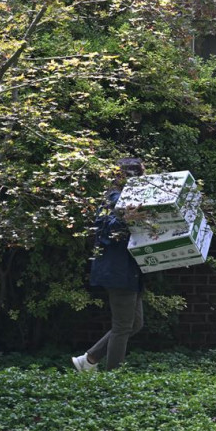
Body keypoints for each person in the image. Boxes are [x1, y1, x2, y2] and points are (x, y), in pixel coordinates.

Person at [72, 157, 146, 372]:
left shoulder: (132, 197)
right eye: (140, 173)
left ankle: (89, 360)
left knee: (135, 324)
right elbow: (106, 231)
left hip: (131, 269)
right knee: (123, 326)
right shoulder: (113, 198)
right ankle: (114, 376)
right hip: (118, 270)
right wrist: (126, 219)